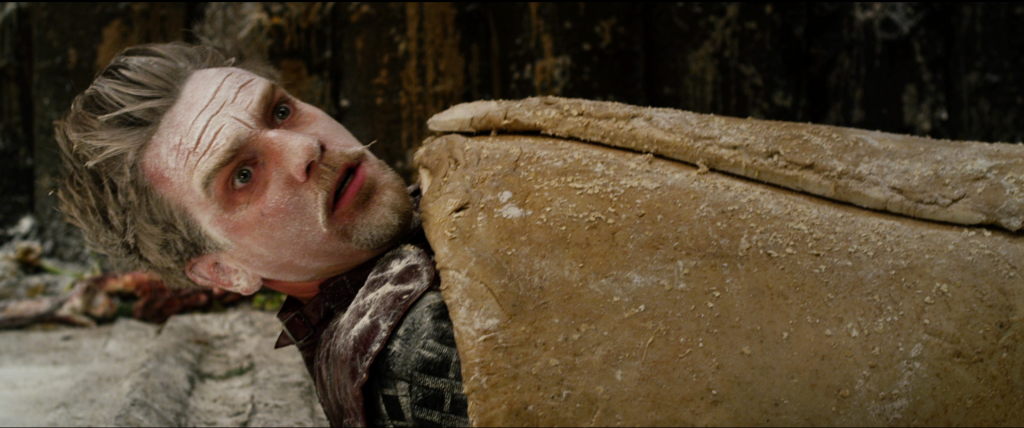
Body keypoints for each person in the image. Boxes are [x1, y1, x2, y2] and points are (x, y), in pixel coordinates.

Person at [56, 42, 467, 427]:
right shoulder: (422, 350)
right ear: (224, 270)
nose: (305, 147)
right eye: (243, 175)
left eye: (281, 112)